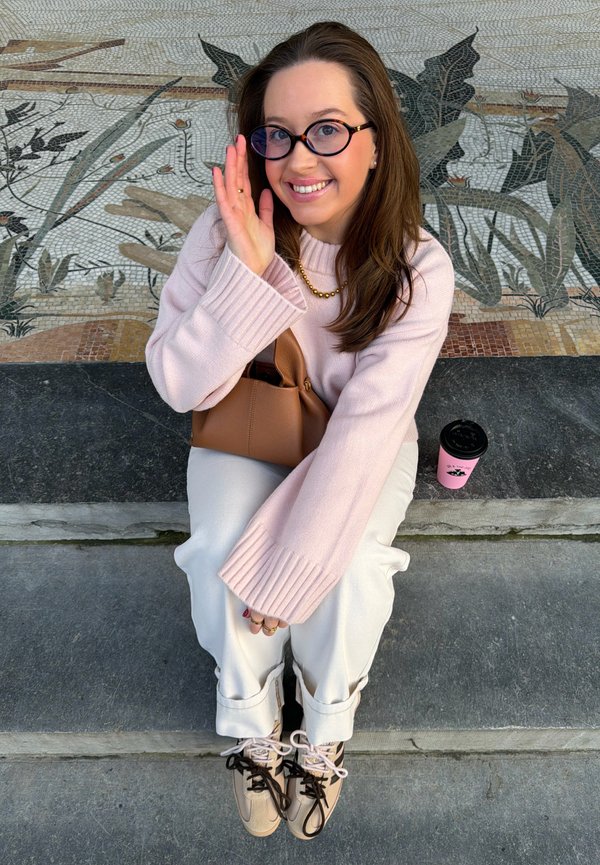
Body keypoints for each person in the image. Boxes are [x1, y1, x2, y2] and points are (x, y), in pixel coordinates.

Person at [145, 20, 454, 840]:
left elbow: (364, 432)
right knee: (218, 548)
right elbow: (178, 383)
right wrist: (245, 275)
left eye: (326, 130)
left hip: (361, 436)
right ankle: (251, 725)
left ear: (377, 140)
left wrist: (289, 569)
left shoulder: (417, 267)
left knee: (348, 566)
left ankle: (322, 730)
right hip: (254, 418)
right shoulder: (227, 229)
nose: (298, 160)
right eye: (276, 135)